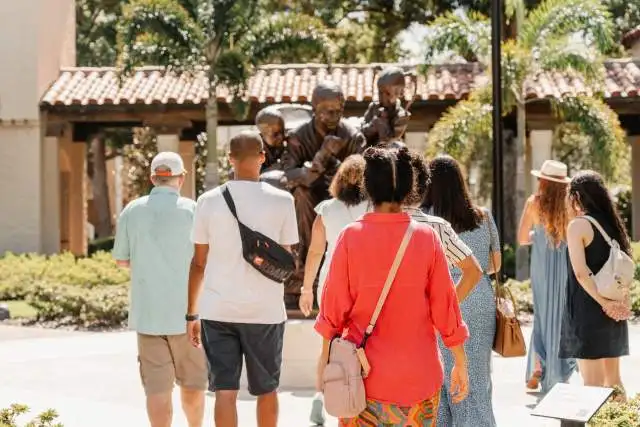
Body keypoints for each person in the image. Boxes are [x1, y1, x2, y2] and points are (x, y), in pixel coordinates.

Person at [315, 146, 470, 426]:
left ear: (368, 186)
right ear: (410, 186)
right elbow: (445, 307)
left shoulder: (350, 237)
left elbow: (333, 309)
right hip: (420, 376)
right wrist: (460, 361)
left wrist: (323, 360)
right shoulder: (426, 237)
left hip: (362, 378)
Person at [186, 130, 299, 427]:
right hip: (266, 311)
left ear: (230, 159)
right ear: (263, 156)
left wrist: (191, 314)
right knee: (267, 390)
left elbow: (198, 264)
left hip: (218, 310)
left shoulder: (208, 201)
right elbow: (285, 259)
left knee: (225, 391)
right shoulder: (283, 200)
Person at [112, 151, 207, 427]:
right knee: (194, 385)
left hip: (149, 316)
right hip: (191, 316)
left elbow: (121, 260)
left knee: (156, 390)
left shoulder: (132, 210)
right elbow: (205, 261)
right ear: (182, 178)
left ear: (153, 177)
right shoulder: (193, 210)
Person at [422, 154, 498, 427]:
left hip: (442, 300)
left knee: (443, 376)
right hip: (479, 297)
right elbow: (495, 264)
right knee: (478, 376)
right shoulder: (484, 215)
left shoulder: (426, 220)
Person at [298, 154, 370, 425]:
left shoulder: (326, 209)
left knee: (328, 346)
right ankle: (359, 399)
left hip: (331, 284)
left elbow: (316, 252)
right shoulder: (375, 207)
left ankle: (320, 396)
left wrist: (306, 288)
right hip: (364, 285)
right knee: (365, 344)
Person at [560, 170, 632, 400]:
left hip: (588, 309)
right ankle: (623, 422)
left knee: (591, 385)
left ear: (577, 197)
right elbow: (623, 270)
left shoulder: (578, 226)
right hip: (614, 308)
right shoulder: (614, 225)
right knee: (614, 382)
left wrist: (603, 304)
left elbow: (581, 274)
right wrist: (617, 305)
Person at [518, 160, 577, 393]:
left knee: (542, 317)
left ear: (543, 180)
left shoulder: (534, 203)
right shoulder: (571, 204)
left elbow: (523, 239)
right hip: (566, 266)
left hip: (541, 267)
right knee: (563, 315)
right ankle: (557, 370)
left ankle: (537, 366)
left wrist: (539, 235)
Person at [405, 150, 483, 302]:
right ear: (460, 180)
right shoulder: (482, 215)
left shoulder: (423, 218)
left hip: (440, 296)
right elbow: (495, 263)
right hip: (477, 293)